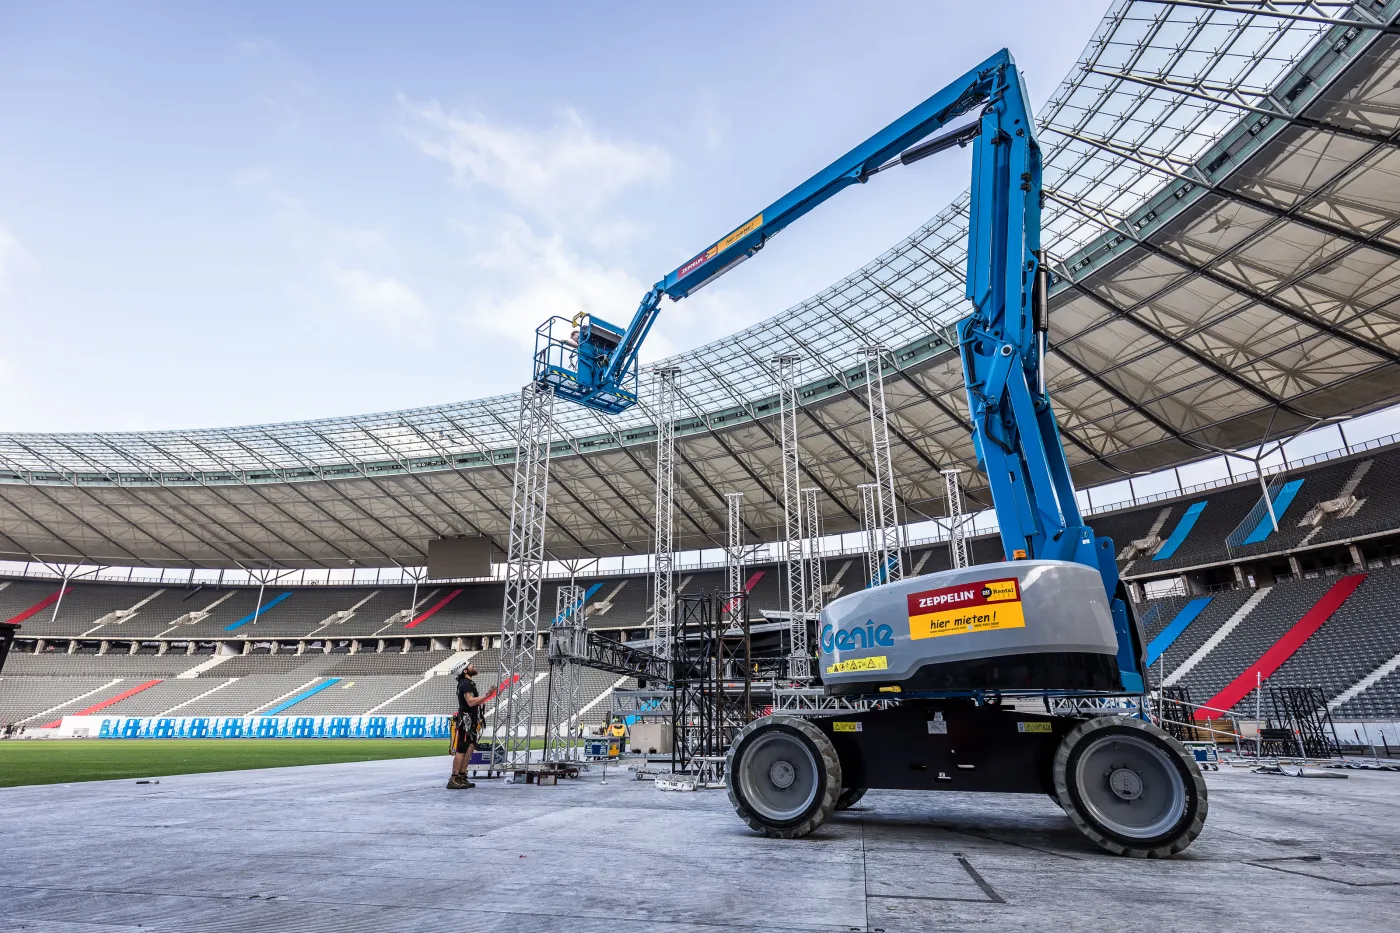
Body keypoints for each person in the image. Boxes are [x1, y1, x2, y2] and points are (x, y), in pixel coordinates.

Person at [448, 662, 486, 789]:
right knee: (462, 748)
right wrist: (486, 695)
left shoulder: (468, 683)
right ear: (465, 671)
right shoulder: (466, 683)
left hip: (471, 718)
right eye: (470, 665)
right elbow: (470, 702)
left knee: (470, 747)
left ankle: (462, 776)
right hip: (466, 719)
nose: (473, 666)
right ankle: (454, 778)